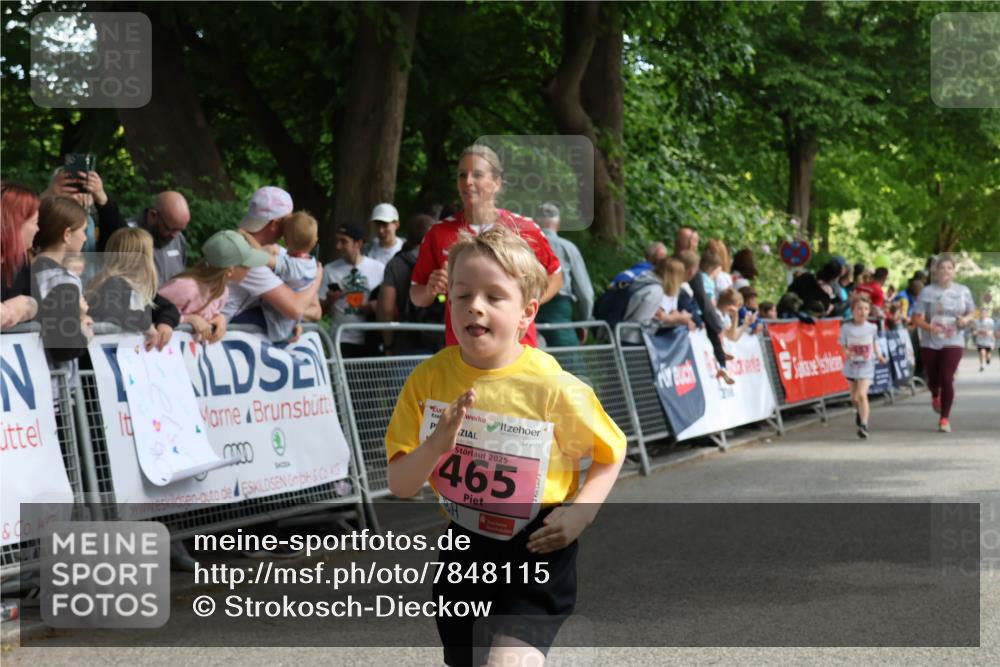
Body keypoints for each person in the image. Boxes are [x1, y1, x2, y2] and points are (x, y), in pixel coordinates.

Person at [385, 225, 625, 667]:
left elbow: (611, 454)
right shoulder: (428, 380)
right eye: (462, 295)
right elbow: (400, 484)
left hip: (537, 546)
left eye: (494, 297)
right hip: (464, 550)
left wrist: (580, 515)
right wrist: (437, 444)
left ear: (526, 313)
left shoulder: (553, 386)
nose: (475, 306)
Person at [410, 144, 562, 349]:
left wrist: (521, 305)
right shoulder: (438, 233)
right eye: (462, 175)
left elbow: (555, 276)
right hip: (462, 350)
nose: (468, 182)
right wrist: (430, 290)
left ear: (496, 182)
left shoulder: (524, 228)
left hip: (517, 348)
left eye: (477, 175)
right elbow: (416, 295)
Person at [222, 186, 323, 332]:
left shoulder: (284, 256)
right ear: (275, 224)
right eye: (290, 219)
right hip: (227, 335)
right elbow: (296, 309)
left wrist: (288, 320)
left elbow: (316, 311)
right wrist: (317, 280)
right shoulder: (248, 260)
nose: (294, 225)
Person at [75, 172, 192, 286]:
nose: (174, 235)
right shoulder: (127, 234)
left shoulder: (178, 238)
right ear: (153, 215)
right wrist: (103, 201)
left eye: (179, 230)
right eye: (169, 229)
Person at [160, 230, 272, 344]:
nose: (250, 269)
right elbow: (151, 311)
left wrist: (220, 319)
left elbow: (210, 316)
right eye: (247, 265)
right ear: (230, 271)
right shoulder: (185, 287)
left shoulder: (222, 292)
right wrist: (188, 319)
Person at [910, 253, 975, 432]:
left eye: (949, 268)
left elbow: (972, 312)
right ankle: (935, 394)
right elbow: (915, 318)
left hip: (954, 338)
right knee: (933, 378)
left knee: (947, 377)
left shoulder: (963, 291)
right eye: (941, 268)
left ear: (954, 272)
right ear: (935, 272)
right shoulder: (927, 291)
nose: (945, 271)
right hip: (930, 340)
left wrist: (965, 320)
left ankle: (944, 418)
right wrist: (930, 327)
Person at [85, 227, 179, 351]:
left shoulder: (140, 289)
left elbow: (168, 308)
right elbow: (112, 311)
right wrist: (145, 325)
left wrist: (165, 323)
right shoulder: (113, 283)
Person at [30, 196, 94, 369]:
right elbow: (64, 348)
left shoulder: (25, 269)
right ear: (67, 235)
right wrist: (84, 330)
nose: (85, 238)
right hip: (55, 384)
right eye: (83, 231)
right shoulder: (64, 279)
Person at [376, 214, 444, 355]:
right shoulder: (443, 263)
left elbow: (386, 309)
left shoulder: (395, 264)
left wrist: (388, 346)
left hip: (407, 343)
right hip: (441, 343)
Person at [319, 224, 385, 357]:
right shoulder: (330, 270)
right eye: (337, 241)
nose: (338, 246)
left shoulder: (378, 268)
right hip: (341, 339)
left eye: (344, 241)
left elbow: (388, 303)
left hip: (370, 337)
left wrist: (372, 307)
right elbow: (320, 311)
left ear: (358, 243)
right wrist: (331, 299)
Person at [534, 202, 595, 347]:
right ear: (558, 224)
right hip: (558, 311)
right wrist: (585, 322)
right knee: (570, 364)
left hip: (530, 308)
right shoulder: (568, 248)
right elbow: (585, 293)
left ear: (536, 222)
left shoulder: (523, 245)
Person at [261, 211, 319, 343]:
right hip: (290, 325)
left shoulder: (290, 265)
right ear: (315, 242)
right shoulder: (312, 265)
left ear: (286, 240)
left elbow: (261, 257)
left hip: (273, 324)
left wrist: (246, 237)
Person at [839, 293, 888, 439]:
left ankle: (864, 425)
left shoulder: (872, 327)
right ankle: (860, 413)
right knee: (854, 398)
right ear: (853, 310)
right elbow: (843, 346)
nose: (862, 312)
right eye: (859, 308)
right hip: (851, 365)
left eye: (866, 309)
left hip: (867, 365)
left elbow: (874, 343)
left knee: (862, 394)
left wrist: (879, 356)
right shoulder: (846, 327)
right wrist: (847, 352)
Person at [620, 256, 695, 344]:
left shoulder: (647, 281)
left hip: (629, 336)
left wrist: (675, 318)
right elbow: (644, 322)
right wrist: (677, 319)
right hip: (632, 340)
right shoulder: (655, 291)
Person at [1, 182, 40, 330]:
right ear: (15, 224)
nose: (37, 229)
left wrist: (23, 307)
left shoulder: (20, 260)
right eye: (35, 222)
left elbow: (37, 303)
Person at [974, 306, 995, 372]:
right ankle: (982, 365)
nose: (983, 314)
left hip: (988, 341)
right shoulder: (976, 321)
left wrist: (989, 334)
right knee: (981, 352)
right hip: (979, 340)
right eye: (982, 313)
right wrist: (976, 332)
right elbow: (974, 331)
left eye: (984, 313)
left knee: (987, 354)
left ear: (987, 314)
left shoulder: (990, 321)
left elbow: (992, 331)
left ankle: (988, 358)